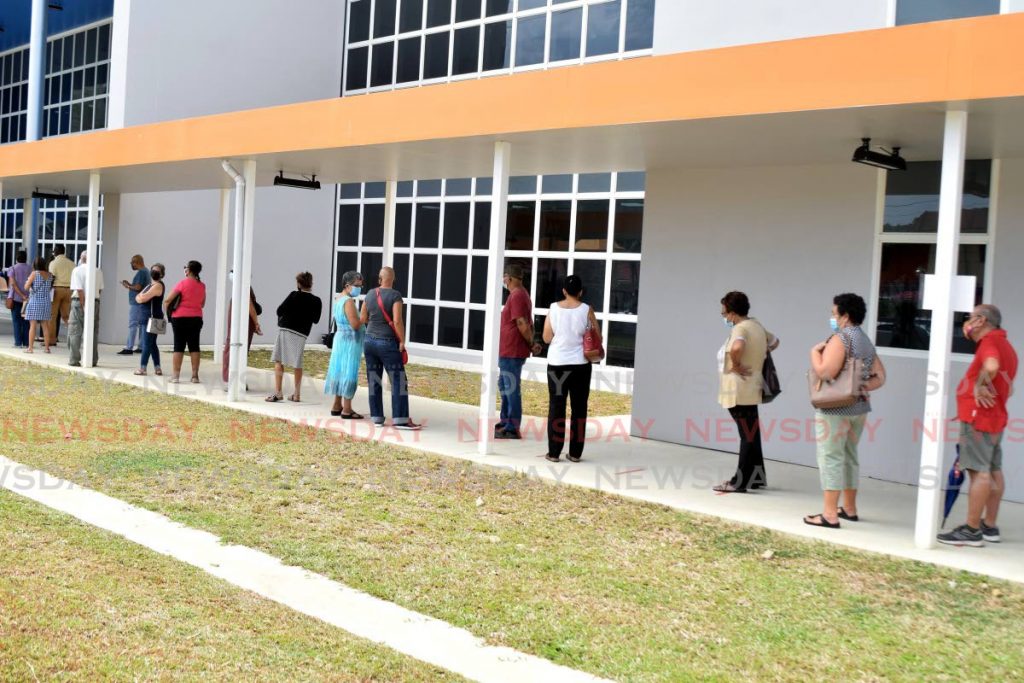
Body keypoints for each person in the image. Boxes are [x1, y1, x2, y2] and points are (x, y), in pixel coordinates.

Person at [938, 304, 1018, 547]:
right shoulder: (1007, 346)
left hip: (978, 418)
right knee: (993, 470)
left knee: (978, 472)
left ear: (981, 320)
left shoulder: (990, 344)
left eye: (970, 318)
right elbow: (1009, 387)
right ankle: (989, 526)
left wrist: (980, 385)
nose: (967, 324)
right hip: (995, 418)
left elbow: (991, 367)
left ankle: (972, 530)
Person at [805, 293, 886, 529]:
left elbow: (826, 372)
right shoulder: (864, 340)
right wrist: (860, 387)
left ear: (845, 316)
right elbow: (880, 376)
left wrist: (814, 353)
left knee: (830, 457)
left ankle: (829, 514)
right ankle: (849, 508)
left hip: (834, 409)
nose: (832, 317)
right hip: (858, 408)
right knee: (850, 456)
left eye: (834, 313)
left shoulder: (841, 338)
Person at [713, 291, 779, 493]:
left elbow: (737, 346)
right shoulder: (756, 325)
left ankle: (739, 482)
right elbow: (775, 342)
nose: (724, 317)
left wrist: (736, 363)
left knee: (747, 436)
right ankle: (756, 478)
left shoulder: (740, 329)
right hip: (752, 388)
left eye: (724, 313)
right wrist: (757, 355)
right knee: (752, 433)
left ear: (733, 313)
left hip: (737, 390)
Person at [542, 274, 601, 462]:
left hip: (557, 365)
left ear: (564, 291)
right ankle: (575, 453)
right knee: (579, 408)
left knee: (556, 407)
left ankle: (553, 453)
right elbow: (596, 336)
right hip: (581, 366)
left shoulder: (553, 309)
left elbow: (546, 338)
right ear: (581, 292)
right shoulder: (587, 310)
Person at [360, 266, 420, 429]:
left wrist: (374, 324)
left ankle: (377, 417)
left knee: (374, 379)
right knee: (398, 380)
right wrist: (402, 341)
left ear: (380, 278)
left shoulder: (370, 294)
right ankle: (400, 419)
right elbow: (397, 320)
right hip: (387, 342)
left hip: (369, 341)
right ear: (393, 278)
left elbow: (363, 317)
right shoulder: (395, 295)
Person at [496, 263, 542, 440]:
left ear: (510, 278)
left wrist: (531, 343)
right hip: (508, 350)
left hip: (512, 351)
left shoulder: (517, 296)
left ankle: (512, 427)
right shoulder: (518, 295)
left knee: (511, 387)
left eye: (505, 277)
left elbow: (522, 323)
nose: (503, 280)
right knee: (505, 385)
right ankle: (505, 421)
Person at [267, 271, 322, 403]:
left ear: (298, 284)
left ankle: (278, 392)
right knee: (297, 363)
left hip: (286, 329)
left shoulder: (293, 295)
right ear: (311, 283)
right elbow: (316, 320)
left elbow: (279, 310)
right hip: (301, 333)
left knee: (279, 360)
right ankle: (296, 394)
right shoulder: (316, 301)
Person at [324, 271, 366, 418]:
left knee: (338, 371)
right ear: (347, 286)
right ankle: (347, 409)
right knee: (349, 372)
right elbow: (355, 324)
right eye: (357, 286)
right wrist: (365, 317)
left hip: (340, 338)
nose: (359, 289)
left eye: (361, 286)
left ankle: (337, 405)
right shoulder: (348, 301)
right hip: (350, 342)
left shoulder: (338, 298)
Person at [165, 260, 206, 384]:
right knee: (194, 347)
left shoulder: (182, 283)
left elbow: (167, 300)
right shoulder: (202, 285)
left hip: (180, 318)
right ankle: (195, 376)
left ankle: (176, 376)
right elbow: (202, 304)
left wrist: (169, 314)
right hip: (196, 318)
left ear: (188, 270)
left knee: (179, 346)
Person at [221, 281, 262, 385]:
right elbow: (250, 305)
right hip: (243, 326)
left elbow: (249, 305)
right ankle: (232, 379)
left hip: (241, 325)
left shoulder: (242, 287)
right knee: (237, 350)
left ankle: (233, 379)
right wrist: (256, 323)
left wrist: (255, 323)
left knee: (234, 349)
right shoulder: (244, 287)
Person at [68, 251, 104, 367]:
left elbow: (79, 290)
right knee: (93, 332)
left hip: (79, 302)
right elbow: (100, 290)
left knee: (75, 331)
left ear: (81, 258)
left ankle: (74, 359)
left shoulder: (77, 270)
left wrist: (84, 305)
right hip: (95, 302)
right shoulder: (98, 270)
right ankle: (93, 359)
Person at [134, 263, 166, 376]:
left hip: (152, 318)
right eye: (153, 270)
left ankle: (143, 368)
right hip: (146, 317)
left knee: (147, 343)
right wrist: (140, 297)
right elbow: (137, 297)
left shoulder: (158, 285)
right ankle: (158, 367)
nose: (154, 273)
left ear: (161, 274)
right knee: (152, 344)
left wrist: (140, 297)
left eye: (157, 271)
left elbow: (142, 298)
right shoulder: (149, 285)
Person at [119, 254, 150, 355]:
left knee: (133, 324)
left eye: (132, 262)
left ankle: (129, 347)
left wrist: (127, 285)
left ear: (137, 262)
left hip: (137, 303)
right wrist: (130, 284)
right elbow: (138, 286)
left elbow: (138, 287)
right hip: (143, 302)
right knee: (141, 325)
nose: (131, 265)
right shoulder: (146, 271)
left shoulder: (141, 272)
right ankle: (141, 346)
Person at [23, 257, 54, 353]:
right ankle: (47, 348)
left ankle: (30, 348)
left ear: (34, 265)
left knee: (32, 326)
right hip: (46, 302)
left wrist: (29, 284)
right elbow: (49, 288)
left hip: (35, 302)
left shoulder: (34, 274)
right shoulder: (50, 275)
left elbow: (26, 287)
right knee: (45, 326)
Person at [47, 244, 75, 346]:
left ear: (56, 251)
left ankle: (51, 340)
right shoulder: (72, 263)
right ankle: (74, 338)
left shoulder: (53, 263)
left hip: (56, 290)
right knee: (66, 316)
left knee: (52, 316)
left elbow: (52, 278)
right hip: (69, 291)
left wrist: (47, 290)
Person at [7, 250, 31, 348]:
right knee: (26, 321)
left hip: (16, 299)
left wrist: (21, 295)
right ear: (26, 258)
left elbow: (13, 284)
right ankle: (26, 342)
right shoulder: (31, 268)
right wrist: (25, 296)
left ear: (17, 258)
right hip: (28, 299)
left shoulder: (12, 268)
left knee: (16, 321)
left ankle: (18, 343)